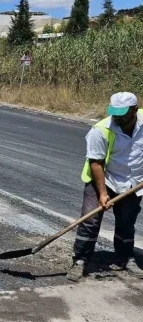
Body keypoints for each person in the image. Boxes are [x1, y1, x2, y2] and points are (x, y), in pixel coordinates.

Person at [68, 92, 143, 282]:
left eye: (122, 113)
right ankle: (80, 261)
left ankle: (125, 258)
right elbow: (96, 162)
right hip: (103, 179)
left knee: (127, 222)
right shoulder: (100, 130)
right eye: (114, 112)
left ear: (135, 110)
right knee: (90, 220)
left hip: (134, 182)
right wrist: (102, 193)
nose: (117, 117)